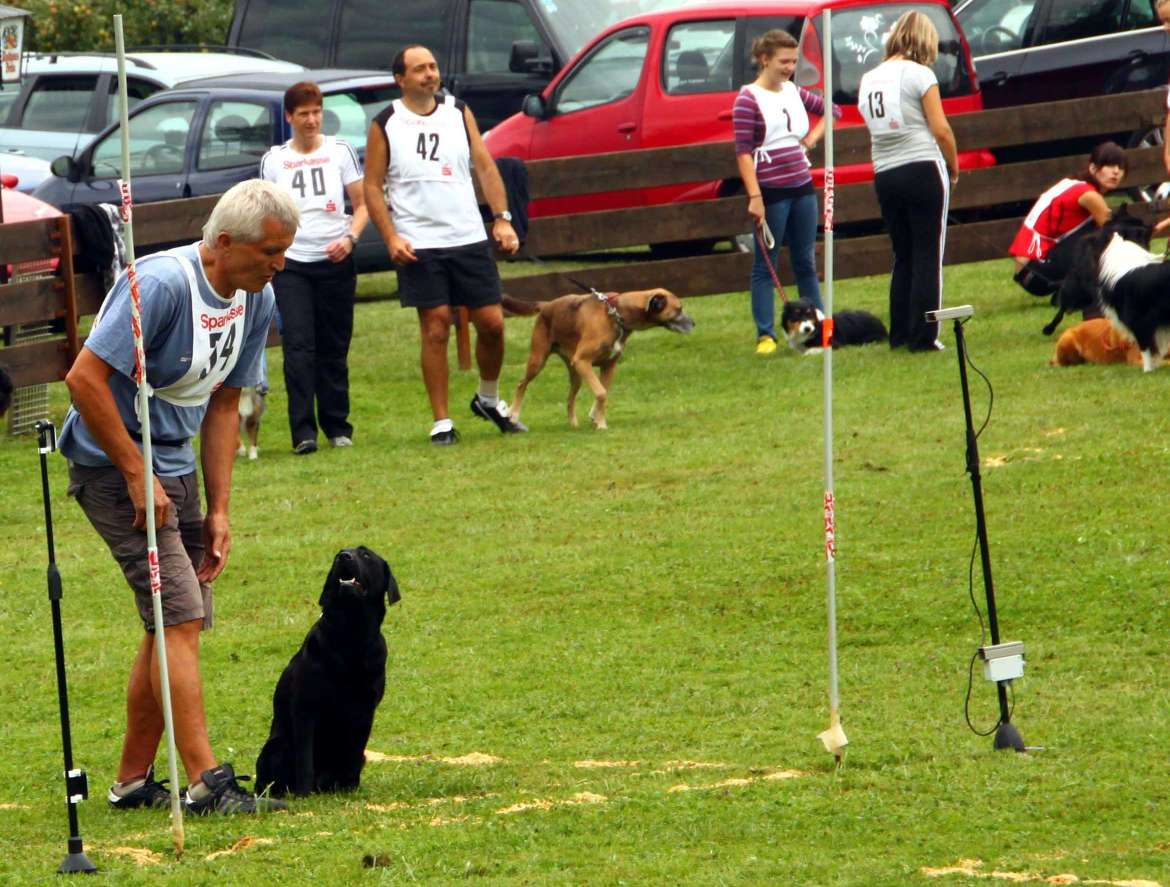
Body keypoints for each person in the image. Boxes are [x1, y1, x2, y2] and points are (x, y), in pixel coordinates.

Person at [58, 179, 296, 815]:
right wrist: (137, 473)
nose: (279, 263)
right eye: (270, 251)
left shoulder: (257, 298)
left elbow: (224, 403)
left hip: (176, 467)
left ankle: (133, 781)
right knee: (180, 617)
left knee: (166, 623)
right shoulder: (160, 284)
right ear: (222, 243)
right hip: (115, 468)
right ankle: (204, 782)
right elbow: (83, 379)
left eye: (285, 251)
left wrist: (219, 508)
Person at [364, 44, 525, 445]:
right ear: (401, 79)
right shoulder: (386, 122)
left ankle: (488, 398)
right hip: (420, 241)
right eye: (419, 69)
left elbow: (485, 165)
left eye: (433, 67)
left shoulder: (457, 111)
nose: (429, 75)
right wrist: (390, 237)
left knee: (492, 323)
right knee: (436, 327)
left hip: (467, 235)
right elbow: (371, 185)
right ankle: (442, 421)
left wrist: (502, 219)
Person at [260, 81, 368, 455]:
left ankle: (338, 425)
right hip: (293, 265)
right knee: (299, 346)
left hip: (335, 261)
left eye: (316, 112)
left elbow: (363, 203)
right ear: (289, 116)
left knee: (334, 346)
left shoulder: (340, 151)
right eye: (303, 113)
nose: (311, 120)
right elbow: (266, 212)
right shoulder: (274, 160)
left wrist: (349, 238)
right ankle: (302, 432)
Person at [858, 10, 959, 352]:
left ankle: (899, 333)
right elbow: (941, 128)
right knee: (928, 255)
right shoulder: (920, 74)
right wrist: (954, 164)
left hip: (884, 172)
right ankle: (925, 336)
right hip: (921, 167)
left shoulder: (869, 78)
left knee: (903, 255)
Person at [735, 28, 840, 355]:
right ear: (764, 60)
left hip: (802, 188)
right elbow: (742, 152)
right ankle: (766, 335)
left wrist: (810, 141)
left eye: (794, 61)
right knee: (766, 266)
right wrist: (755, 198)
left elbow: (832, 112)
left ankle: (820, 328)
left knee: (806, 262)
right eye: (783, 61)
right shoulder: (747, 99)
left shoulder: (794, 91)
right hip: (771, 192)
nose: (789, 67)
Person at [1009, 141, 1127, 296]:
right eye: (1110, 165)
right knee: (1104, 234)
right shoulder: (1089, 195)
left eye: (1121, 167)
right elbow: (1115, 235)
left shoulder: (1074, 184)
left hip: (1029, 272)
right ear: (1093, 168)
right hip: (1037, 274)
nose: (1116, 171)